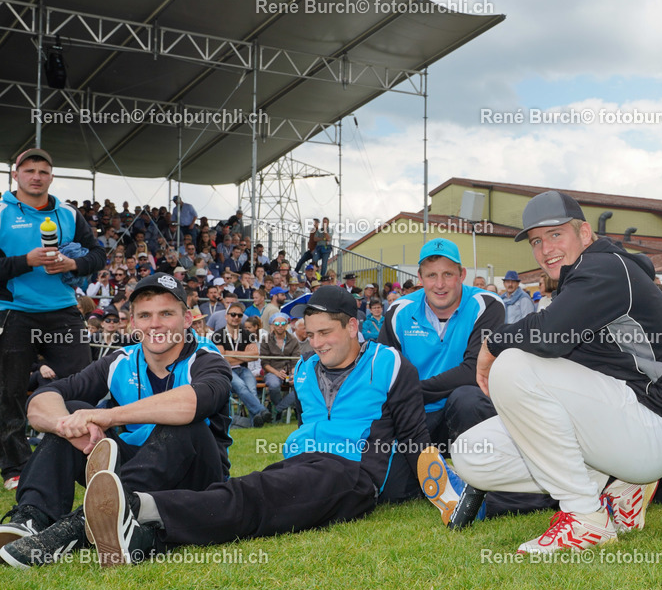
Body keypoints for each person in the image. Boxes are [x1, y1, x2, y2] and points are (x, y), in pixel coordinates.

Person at [425, 191, 662, 553]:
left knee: (511, 367)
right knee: (471, 455)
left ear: (585, 233)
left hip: (655, 425)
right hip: (621, 429)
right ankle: (618, 489)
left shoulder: (605, 266)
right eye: (536, 241)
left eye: (555, 234)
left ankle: (585, 517)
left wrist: (492, 343)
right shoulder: (582, 276)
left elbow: (548, 335)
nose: (546, 249)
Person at [80, 287, 430, 567]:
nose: (316, 343)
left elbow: (415, 437)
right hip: (303, 461)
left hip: (353, 472)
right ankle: (143, 538)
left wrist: (445, 491)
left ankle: (138, 507)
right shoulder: (305, 369)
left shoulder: (388, 362)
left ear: (352, 327)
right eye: (310, 334)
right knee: (250, 491)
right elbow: (310, 423)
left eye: (325, 333)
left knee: (256, 497)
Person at [0, 273, 232, 567]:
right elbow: (41, 400)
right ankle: (32, 517)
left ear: (187, 320)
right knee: (71, 409)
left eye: (166, 314)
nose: (155, 324)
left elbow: (193, 403)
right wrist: (68, 426)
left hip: (196, 478)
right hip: (139, 468)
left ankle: (83, 521)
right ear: (133, 323)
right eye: (145, 315)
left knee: (186, 425)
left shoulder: (207, 357)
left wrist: (107, 416)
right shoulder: (120, 360)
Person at [0, 148, 106, 491]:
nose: (36, 177)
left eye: (43, 171)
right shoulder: (1, 211)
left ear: (51, 176)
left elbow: (98, 254)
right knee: (10, 390)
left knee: (84, 383)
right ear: (15, 174)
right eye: (29, 170)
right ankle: (15, 468)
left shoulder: (69, 213)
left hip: (62, 310)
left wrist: (73, 264)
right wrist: (25, 261)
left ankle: (84, 455)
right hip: (14, 311)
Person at [375, 239, 504, 502]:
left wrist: (410, 393)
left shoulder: (486, 304)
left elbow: (473, 371)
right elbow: (385, 375)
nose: (440, 284)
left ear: (462, 275)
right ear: (420, 278)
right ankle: (446, 473)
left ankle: (483, 476)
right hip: (416, 417)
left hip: (463, 411)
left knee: (467, 397)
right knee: (392, 492)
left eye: (448, 274)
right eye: (431, 275)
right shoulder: (399, 311)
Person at [210, 302, 271, 427]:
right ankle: (261, 411)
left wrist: (230, 353)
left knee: (252, 389)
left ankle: (256, 423)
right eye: (233, 314)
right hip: (226, 370)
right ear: (226, 316)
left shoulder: (247, 334)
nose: (236, 317)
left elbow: (255, 355)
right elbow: (222, 358)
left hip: (243, 369)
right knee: (241, 387)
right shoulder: (218, 335)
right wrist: (244, 356)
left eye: (239, 315)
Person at [261, 312, 301, 420]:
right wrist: (277, 373)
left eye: (283, 323)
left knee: (300, 385)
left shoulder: (293, 340)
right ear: (272, 325)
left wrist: (293, 374)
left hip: (289, 371)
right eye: (277, 323)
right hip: (272, 371)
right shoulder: (266, 339)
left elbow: (295, 360)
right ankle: (279, 409)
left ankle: (277, 409)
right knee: (273, 385)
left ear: (287, 325)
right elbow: (265, 363)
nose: (280, 326)